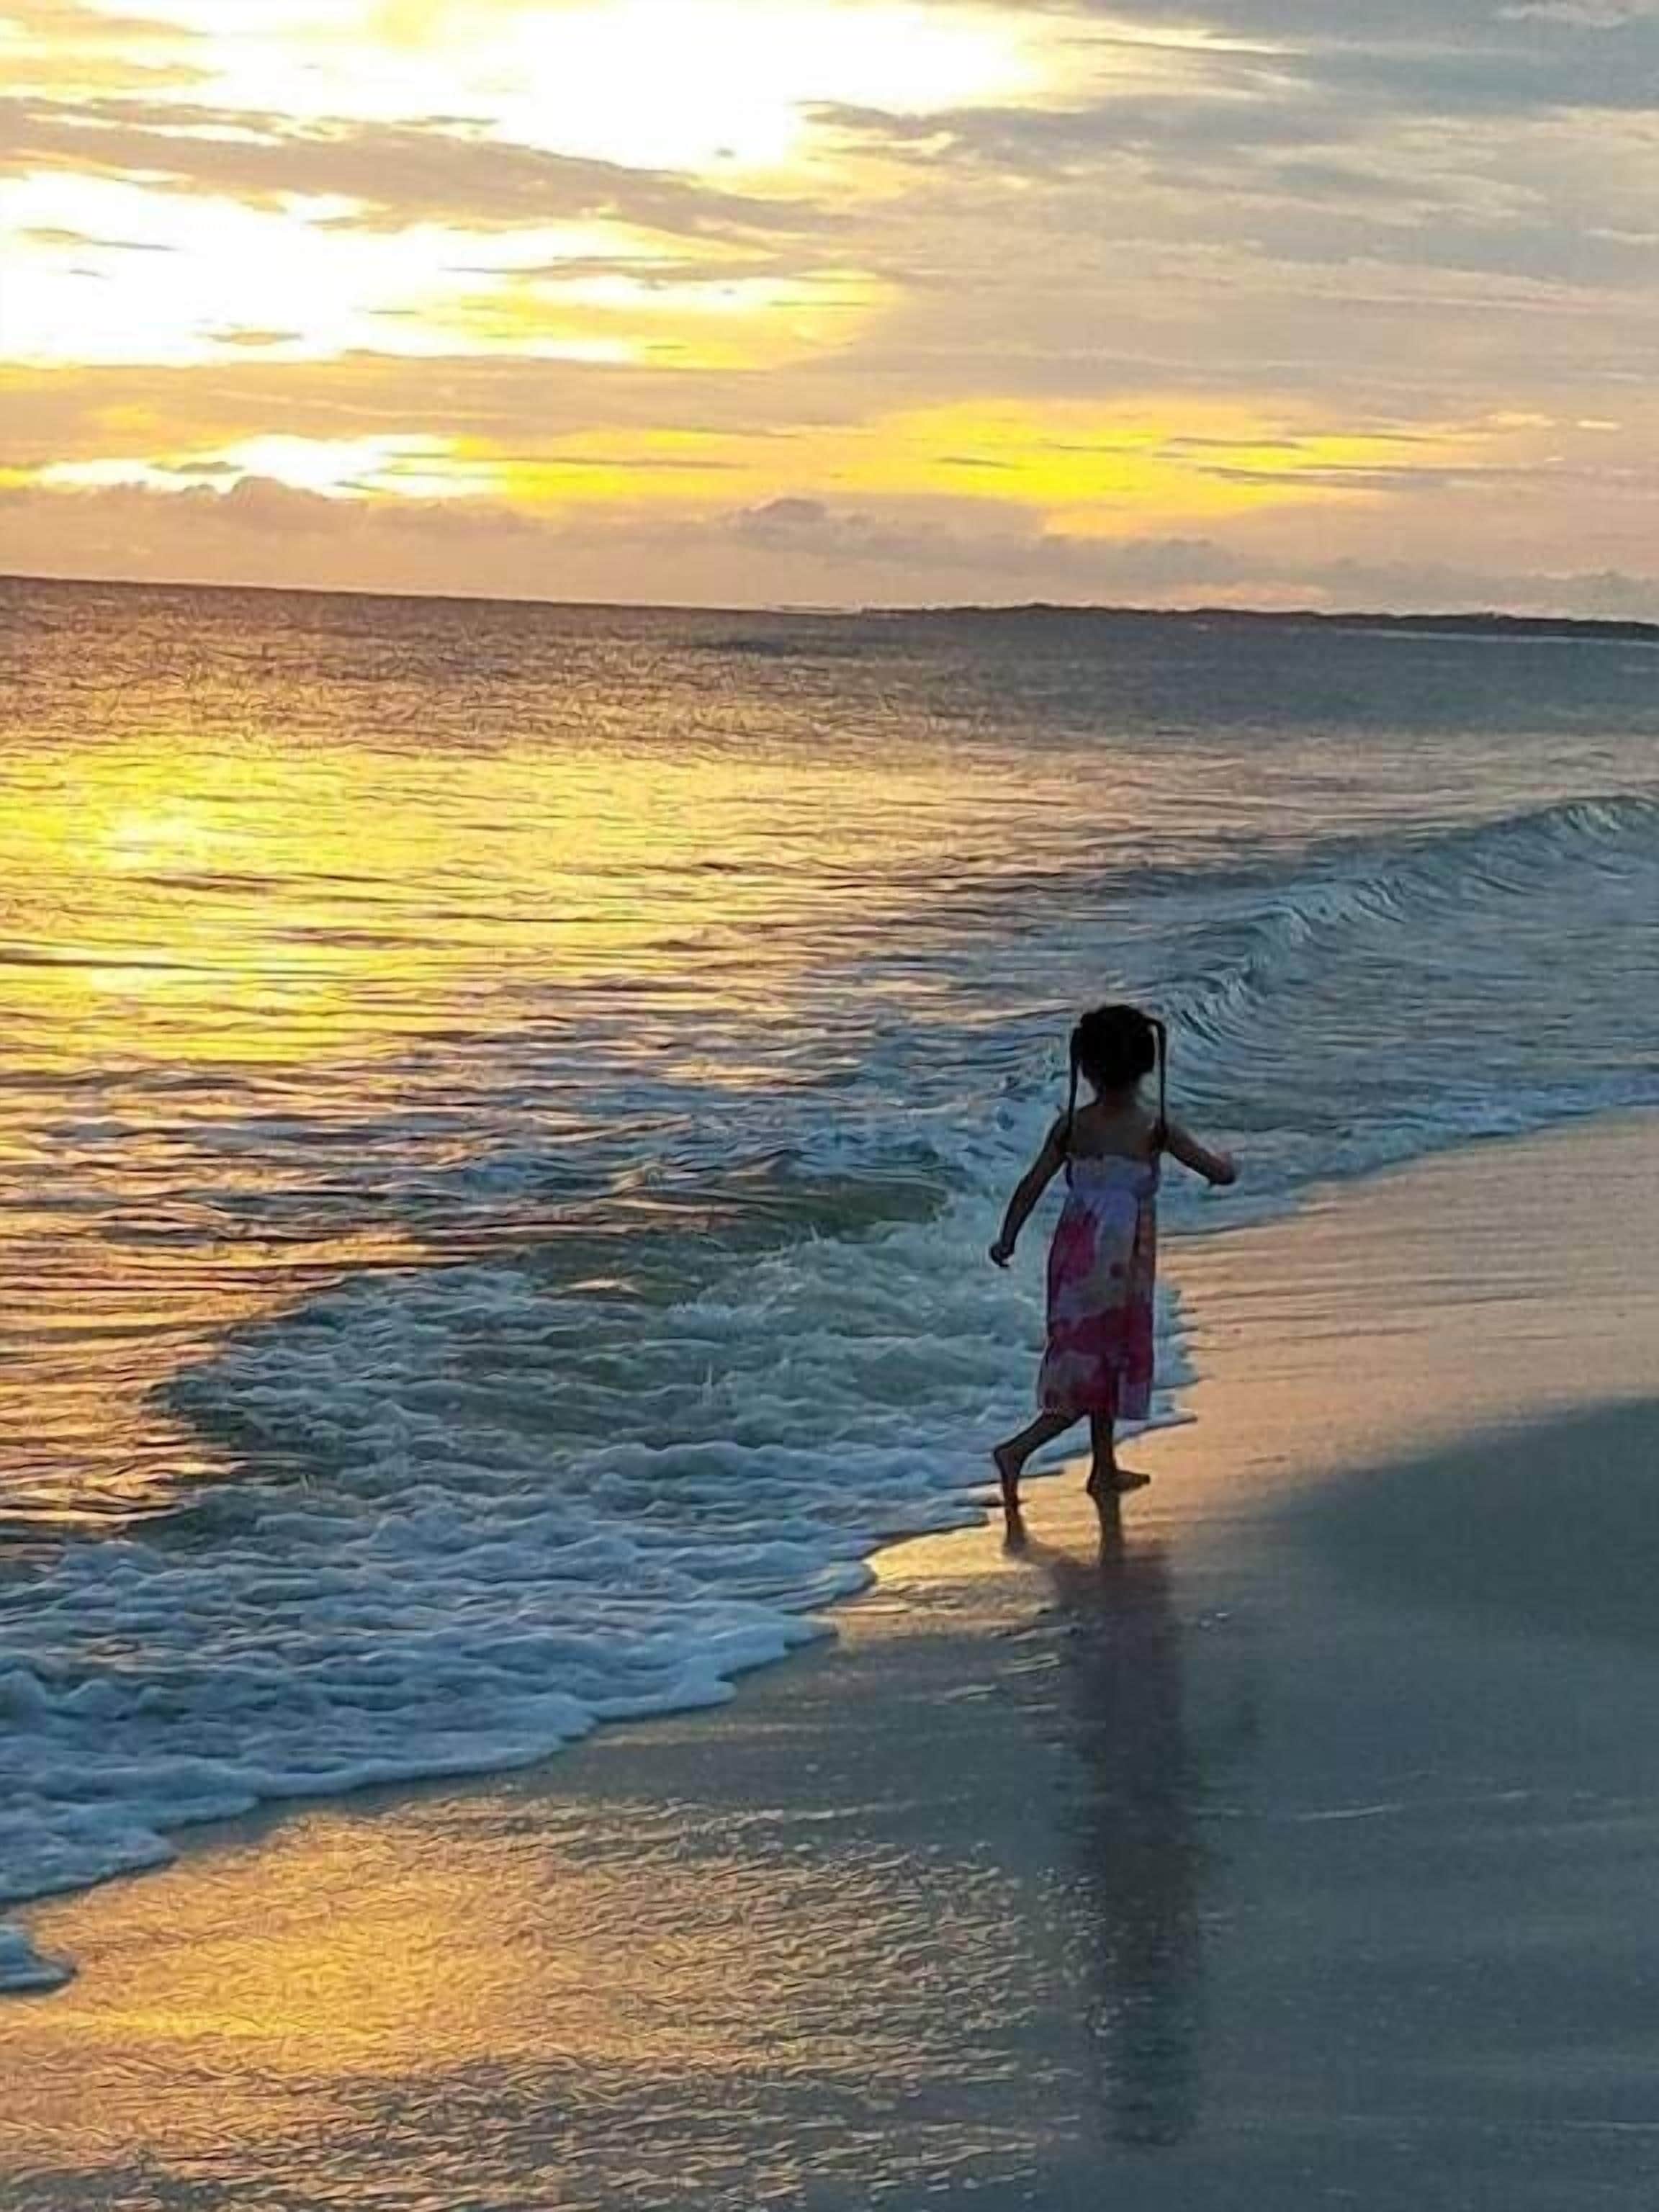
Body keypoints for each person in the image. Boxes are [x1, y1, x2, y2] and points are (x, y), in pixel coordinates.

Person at [989, 1005, 1236, 1513]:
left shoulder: (1071, 1127)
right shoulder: (1154, 1129)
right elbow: (1217, 1171)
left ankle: (1104, 1468)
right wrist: (1228, 1165)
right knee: (1095, 1370)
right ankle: (1017, 1451)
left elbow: (1031, 1185)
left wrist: (1007, 1239)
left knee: (1092, 1361)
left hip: (1074, 1261)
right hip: (1120, 1267)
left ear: (1086, 1068)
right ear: (1147, 1066)